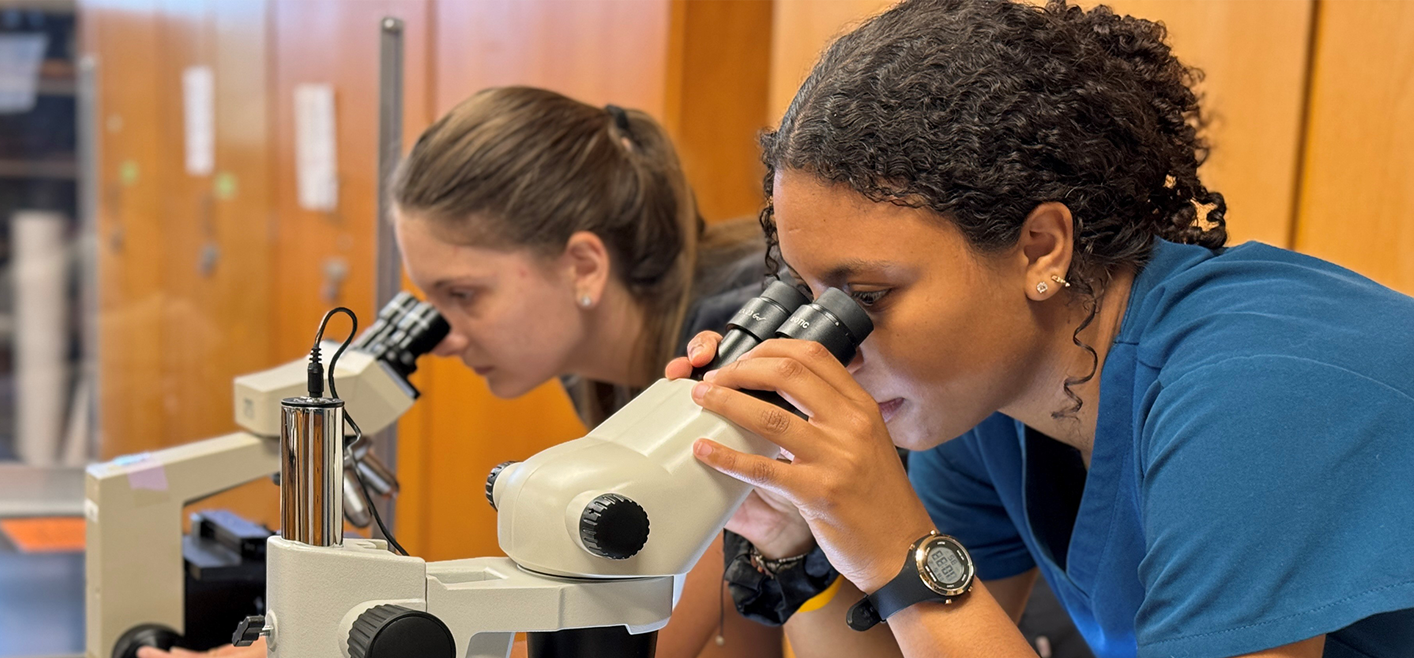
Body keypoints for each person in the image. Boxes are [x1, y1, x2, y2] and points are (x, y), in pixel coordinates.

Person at [668, 1, 1414, 657]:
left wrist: (902, 550)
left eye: (866, 294)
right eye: (809, 296)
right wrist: (810, 533)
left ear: (1041, 249)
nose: (825, 347)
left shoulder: (1254, 393)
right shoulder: (991, 398)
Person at [139, 86, 780, 658]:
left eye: (464, 295)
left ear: (584, 266)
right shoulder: (596, 364)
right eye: (431, 301)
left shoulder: (734, 356)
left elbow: (639, 628)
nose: (442, 337)